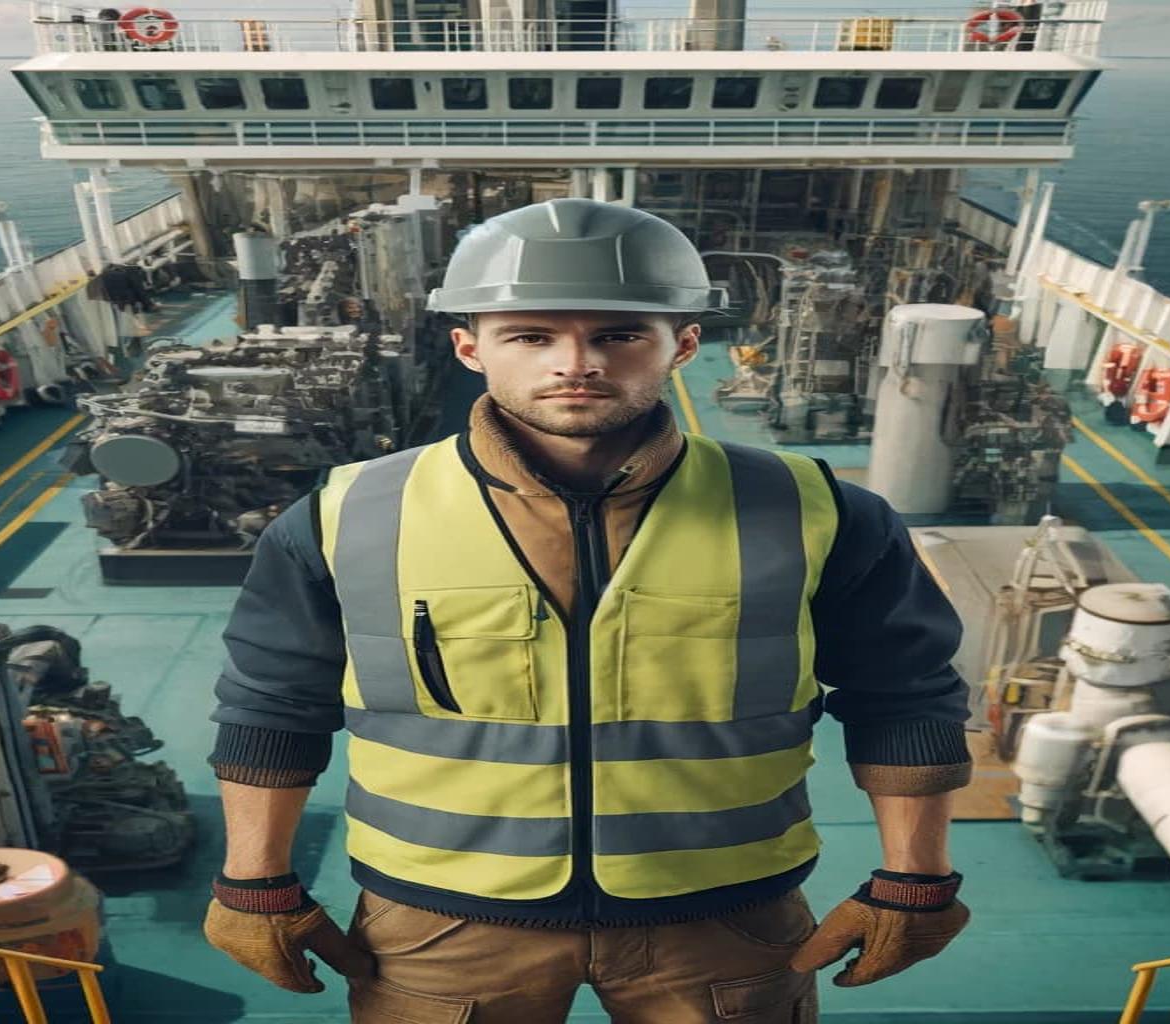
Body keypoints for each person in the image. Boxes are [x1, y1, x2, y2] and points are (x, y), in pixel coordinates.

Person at [203, 199, 973, 1022]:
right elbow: (273, 704)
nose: (576, 362)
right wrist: (254, 881)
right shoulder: (347, 514)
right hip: (439, 921)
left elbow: (904, 694)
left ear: (682, 344)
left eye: (618, 334)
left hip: (723, 916)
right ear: (471, 348)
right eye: (531, 335)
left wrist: (915, 877)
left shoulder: (817, 512)